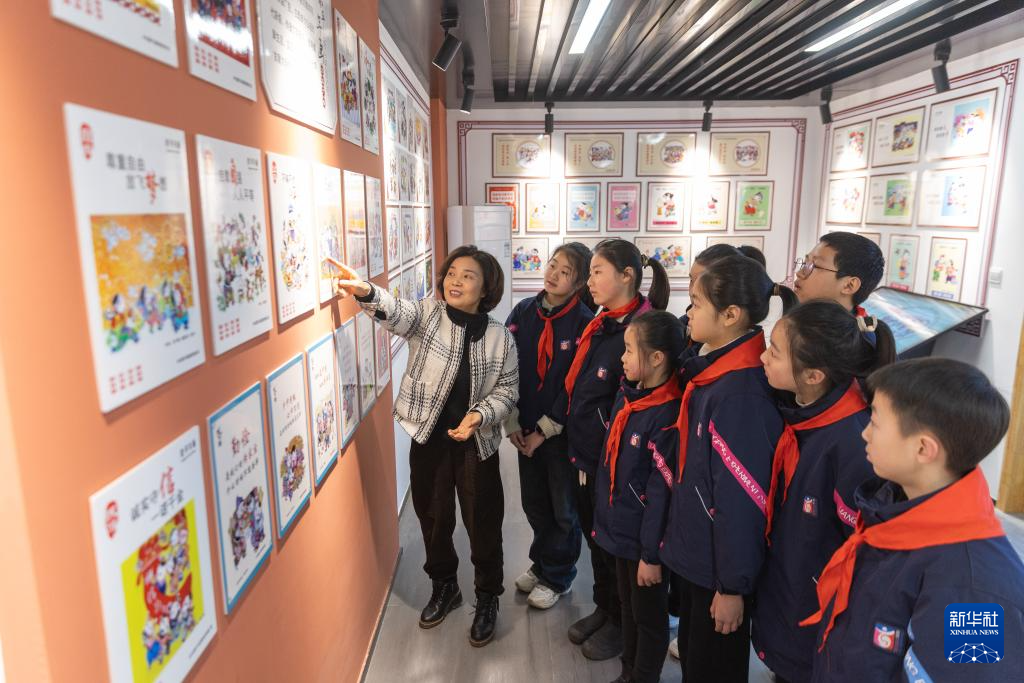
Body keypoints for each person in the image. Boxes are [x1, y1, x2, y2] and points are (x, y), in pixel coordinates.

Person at [332, 246, 518, 647]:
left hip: (476, 444)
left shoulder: (501, 337)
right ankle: (444, 586)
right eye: (451, 273)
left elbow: (507, 391)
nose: (455, 281)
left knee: (483, 524)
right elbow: (395, 311)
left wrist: (479, 416)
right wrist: (365, 290)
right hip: (429, 437)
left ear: (486, 287)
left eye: (468, 275)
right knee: (433, 518)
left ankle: (487, 598)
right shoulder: (428, 315)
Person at [804, 358, 1024, 682]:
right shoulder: (894, 513)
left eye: (875, 422)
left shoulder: (974, 592)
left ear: (923, 449)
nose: (864, 433)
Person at [531, 238, 670, 661]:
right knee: (596, 540)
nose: (588, 281)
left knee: (614, 549)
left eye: (596, 272)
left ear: (626, 276)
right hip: (586, 454)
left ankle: (621, 624)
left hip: (616, 464)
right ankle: (605, 608)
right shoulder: (602, 322)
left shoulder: (640, 331)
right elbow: (578, 386)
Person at [660, 254, 796, 682]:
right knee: (696, 660)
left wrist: (733, 586)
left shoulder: (740, 394)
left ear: (731, 315)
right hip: (700, 555)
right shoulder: (713, 373)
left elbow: (742, 501)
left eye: (697, 303)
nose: (688, 312)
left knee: (713, 668)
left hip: (718, 570)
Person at [752, 301, 891, 683]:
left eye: (774, 352)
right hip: (789, 591)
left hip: (819, 613)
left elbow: (863, 556)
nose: (763, 357)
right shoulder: (801, 413)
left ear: (813, 375)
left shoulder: (853, 443)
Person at [593, 311, 686, 683]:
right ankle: (628, 672)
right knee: (628, 609)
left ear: (658, 358)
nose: (622, 358)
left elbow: (661, 494)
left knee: (648, 618)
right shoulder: (629, 396)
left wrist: (651, 555)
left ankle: (643, 676)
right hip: (622, 530)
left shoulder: (666, 415)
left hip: (645, 544)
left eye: (630, 350)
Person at [504, 243, 595, 610]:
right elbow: (505, 367)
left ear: (580, 283)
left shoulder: (585, 323)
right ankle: (541, 563)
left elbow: (575, 386)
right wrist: (511, 420)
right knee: (534, 503)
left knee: (563, 509)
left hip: (559, 435)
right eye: (553, 265)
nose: (553, 274)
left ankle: (558, 576)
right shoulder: (524, 311)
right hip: (524, 428)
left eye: (565, 271)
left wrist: (544, 431)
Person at [792, 231, 895, 361]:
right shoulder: (801, 321)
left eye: (814, 266)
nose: (800, 273)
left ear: (849, 286)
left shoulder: (853, 350)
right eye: (805, 263)